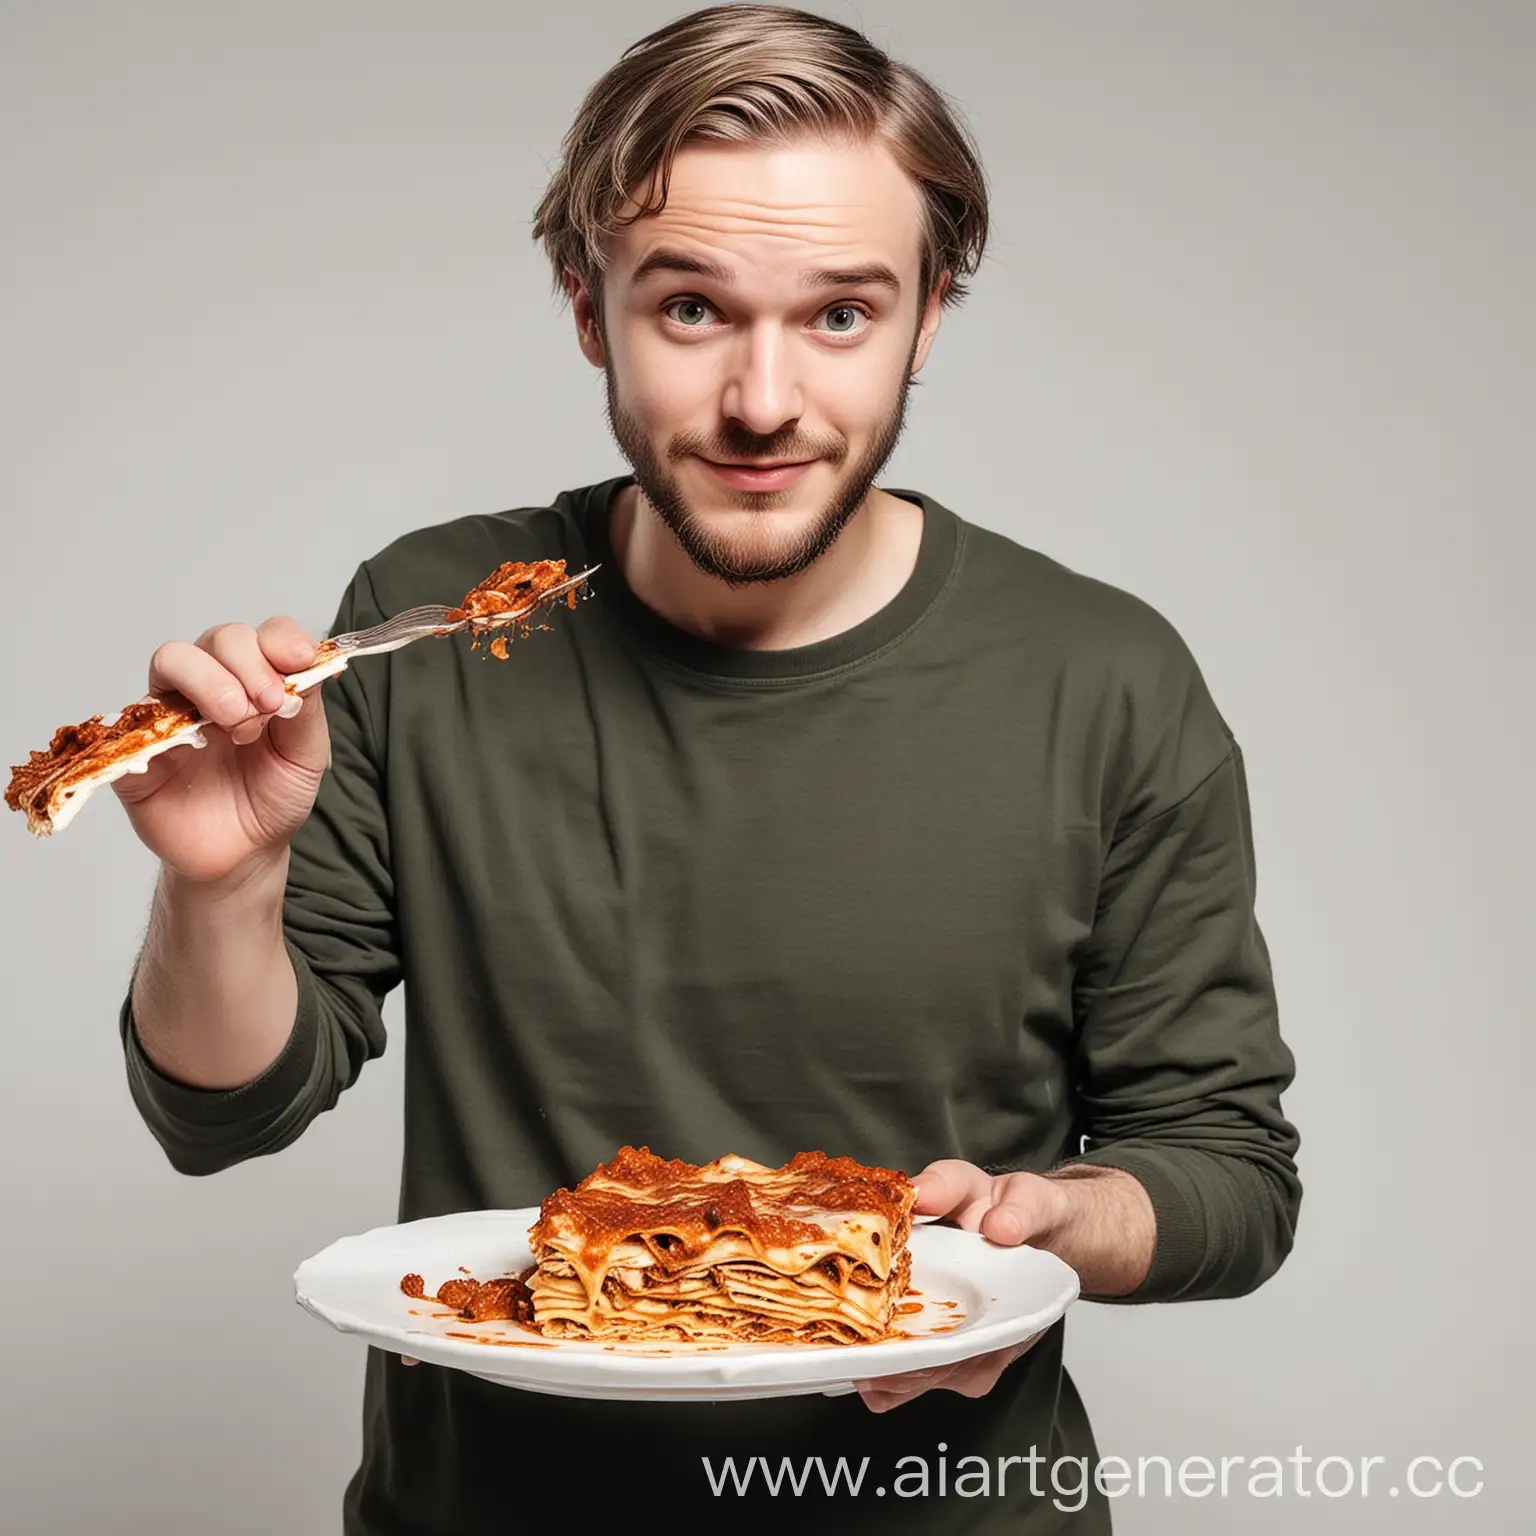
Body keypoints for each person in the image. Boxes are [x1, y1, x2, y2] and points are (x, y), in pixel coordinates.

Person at [113, 6, 1300, 1531]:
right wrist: (221, 885)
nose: (762, 401)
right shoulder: (435, 628)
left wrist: (1048, 1223)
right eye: (691, 310)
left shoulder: (1106, 680)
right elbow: (226, 1116)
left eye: (841, 315)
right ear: (586, 302)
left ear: (931, 312)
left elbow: (1229, 1177)